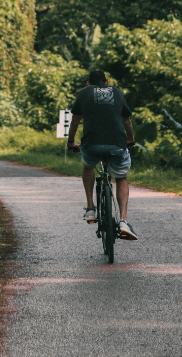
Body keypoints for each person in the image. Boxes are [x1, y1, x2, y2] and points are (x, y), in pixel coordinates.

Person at [67, 69, 138, 240]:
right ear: (106, 82)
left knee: (88, 165)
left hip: (91, 145)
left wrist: (71, 142)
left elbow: (75, 120)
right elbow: (127, 120)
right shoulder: (117, 92)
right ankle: (123, 221)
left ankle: (91, 208)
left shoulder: (84, 92)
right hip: (117, 145)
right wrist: (130, 140)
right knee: (121, 178)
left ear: (88, 83)